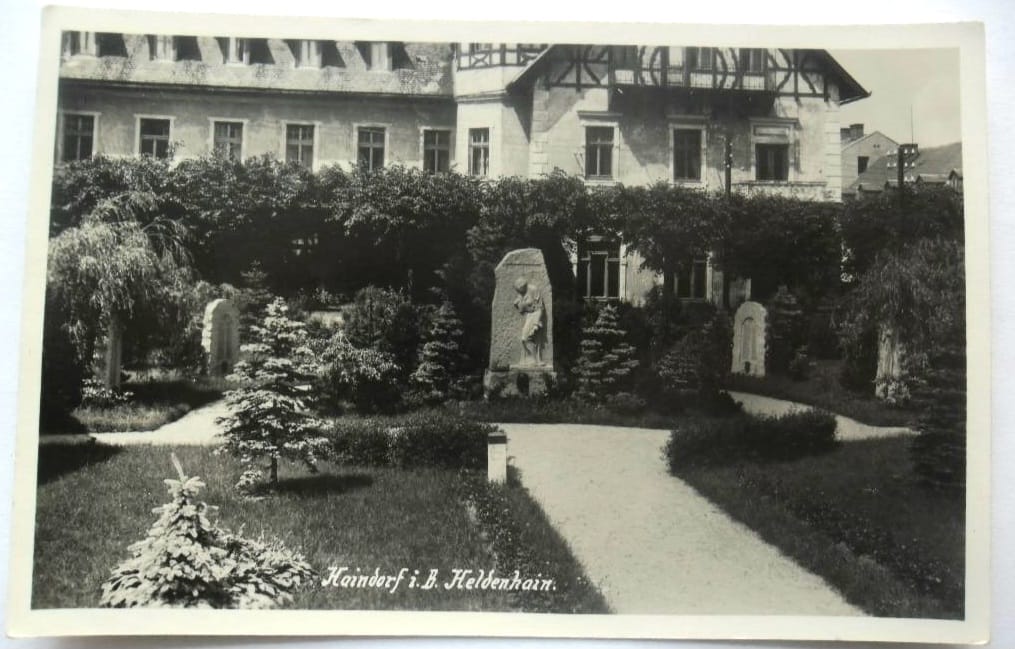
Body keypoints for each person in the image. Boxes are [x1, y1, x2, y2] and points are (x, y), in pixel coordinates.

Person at [512, 276, 545, 366]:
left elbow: (540, 308)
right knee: (524, 339)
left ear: (523, 286)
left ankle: (534, 360)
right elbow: (522, 309)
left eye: (519, 290)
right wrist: (518, 304)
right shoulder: (521, 293)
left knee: (528, 337)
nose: (519, 293)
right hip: (529, 316)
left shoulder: (534, 290)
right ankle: (529, 359)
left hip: (535, 316)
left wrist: (536, 324)